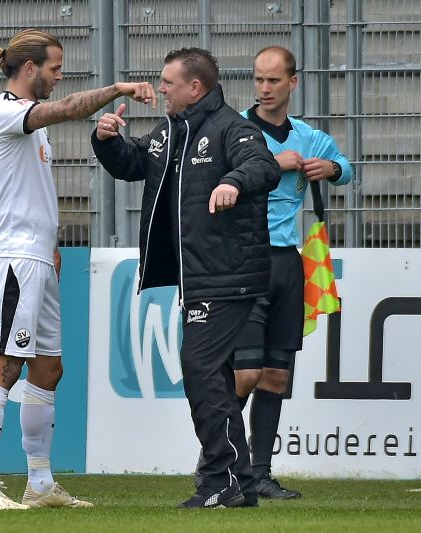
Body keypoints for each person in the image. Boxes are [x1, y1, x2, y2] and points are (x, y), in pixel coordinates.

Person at [0, 28, 156, 511]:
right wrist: (117, 88)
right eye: (54, 67)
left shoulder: (30, 125)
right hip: (12, 258)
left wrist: (50, 244)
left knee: (48, 368)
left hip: (37, 257)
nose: (60, 75)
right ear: (29, 69)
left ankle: (40, 483)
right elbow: (70, 107)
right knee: (6, 365)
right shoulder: (5, 113)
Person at [91, 47, 281, 508]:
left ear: (195, 87)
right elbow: (135, 164)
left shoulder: (233, 128)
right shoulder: (171, 130)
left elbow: (265, 166)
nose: (159, 89)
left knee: (200, 370)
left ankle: (219, 479)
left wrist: (233, 182)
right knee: (210, 372)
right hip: (198, 277)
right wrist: (107, 139)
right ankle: (238, 483)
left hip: (228, 275)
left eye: (167, 82)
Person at [194, 45, 353, 499]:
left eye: (273, 80)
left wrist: (334, 168)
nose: (264, 89)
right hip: (244, 257)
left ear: (292, 83)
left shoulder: (308, 137)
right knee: (244, 374)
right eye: (258, 80)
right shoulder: (235, 130)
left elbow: (349, 171)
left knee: (277, 375)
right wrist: (265, 164)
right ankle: (218, 464)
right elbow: (213, 176)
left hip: (289, 260)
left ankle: (259, 473)